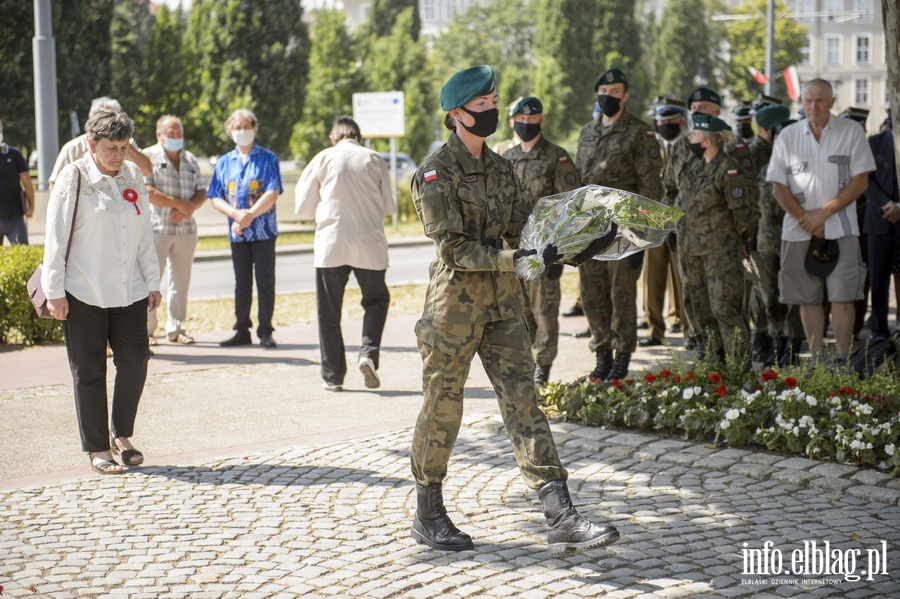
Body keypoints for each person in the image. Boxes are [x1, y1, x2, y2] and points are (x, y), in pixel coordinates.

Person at [410, 65, 619, 554]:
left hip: (504, 306)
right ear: (456, 114)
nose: (493, 113)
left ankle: (559, 512)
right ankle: (428, 512)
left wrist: (576, 244)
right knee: (443, 405)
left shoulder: (502, 167)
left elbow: (526, 229)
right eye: (482, 107)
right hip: (454, 309)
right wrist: (518, 258)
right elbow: (454, 250)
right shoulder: (436, 172)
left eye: (493, 103)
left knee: (524, 401)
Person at [41, 110, 161, 474]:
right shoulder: (72, 177)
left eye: (124, 147)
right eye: (111, 147)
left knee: (136, 360)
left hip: (130, 290)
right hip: (83, 291)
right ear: (91, 144)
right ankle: (97, 449)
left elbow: (142, 233)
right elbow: (56, 238)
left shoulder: (133, 174)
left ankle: (121, 433)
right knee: (89, 371)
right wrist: (54, 291)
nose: (119, 155)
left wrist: (152, 280)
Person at [766, 79, 876, 366]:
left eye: (820, 100)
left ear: (832, 101)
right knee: (808, 298)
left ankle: (842, 361)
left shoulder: (851, 132)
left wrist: (822, 213)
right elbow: (778, 186)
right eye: (808, 101)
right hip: (798, 231)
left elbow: (861, 180)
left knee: (843, 297)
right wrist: (806, 218)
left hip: (841, 229)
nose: (813, 106)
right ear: (802, 103)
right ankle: (816, 361)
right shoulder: (788, 137)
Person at [295, 116, 396, 391]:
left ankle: (333, 376)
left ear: (333, 138)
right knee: (376, 301)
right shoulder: (375, 159)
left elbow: (303, 206)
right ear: (359, 137)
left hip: (331, 244)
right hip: (370, 243)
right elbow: (389, 206)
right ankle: (368, 354)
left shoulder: (323, 158)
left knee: (328, 313)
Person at [576, 67, 664, 382]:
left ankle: (622, 358)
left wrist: (642, 233)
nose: (609, 97)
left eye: (616, 92)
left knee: (621, 293)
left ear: (625, 96)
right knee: (592, 291)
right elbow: (579, 181)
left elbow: (650, 184)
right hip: (590, 227)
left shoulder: (640, 132)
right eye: (604, 91)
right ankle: (602, 355)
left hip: (624, 226)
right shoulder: (587, 132)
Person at [502, 96, 582, 385]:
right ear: (512, 122)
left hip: (545, 249)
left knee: (544, 309)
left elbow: (570, 206)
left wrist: (561, 251)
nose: (527, 124)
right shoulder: (506, 159)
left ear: (542, 121)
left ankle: (542, 368)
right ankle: (525, 363)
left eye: (533, 119)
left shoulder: (556, 157)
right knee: (519, 310)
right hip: (513, 249)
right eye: (521, 120)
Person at [680, 113, 758, 363]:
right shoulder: (696, 167)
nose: (689, 138)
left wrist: (740, 242)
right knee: (702, 311)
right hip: (694, 251)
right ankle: (715, 369)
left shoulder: (730, 169)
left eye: (695, 134)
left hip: (721, 253)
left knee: (724, 309)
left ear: (708, 141)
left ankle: (740, 370)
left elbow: (744, 214)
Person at [208, 108, 283, 349]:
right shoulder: (224, 162)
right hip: (237, 234)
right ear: (230, 131)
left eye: (247, 126)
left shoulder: (268, 158)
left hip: (263, 232)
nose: (242, 131)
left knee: (264, 282)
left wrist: (248, 215)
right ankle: (241, 329)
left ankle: (265, 330)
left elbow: (272, 193)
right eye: (237, 127)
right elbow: (215, 196)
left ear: (255, 129)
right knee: (241, 283)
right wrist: (235, 215)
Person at [144, 115, 207, 345]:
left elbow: (201, 190)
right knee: (151, 282)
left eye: (179, 133)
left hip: (186, 230)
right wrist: (180, 204)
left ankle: (176, 328)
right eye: (172, 134)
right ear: (159, 135)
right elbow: (147, 191)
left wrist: (189, 208)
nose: (177, 137)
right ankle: (148, 332)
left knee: (180, 282)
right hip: (157, 228)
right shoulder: (148, 157)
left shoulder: (190, 158)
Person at [751, 105, 804, 366]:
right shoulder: (765, 171)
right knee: (769, 295)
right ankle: (775, 342)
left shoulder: (805, 172)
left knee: (794, 295)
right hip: (766, 243)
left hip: (795, 240)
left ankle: (792, 347)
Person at [640, 98, 686, 347]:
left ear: (682, 123)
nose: (666, 126)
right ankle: (654, 330)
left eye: (671, 122)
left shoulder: (690, 148)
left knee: (683, 278)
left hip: (681, 222)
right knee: (653, 279)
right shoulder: (650, 149)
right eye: (662, 122)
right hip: (654, 221)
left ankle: (689, 329)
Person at [49, 97, 152, 190]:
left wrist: (122, 144)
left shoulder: (129, 143)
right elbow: (55, 185)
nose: (113, 127)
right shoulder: (72, 148)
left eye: (116, 120)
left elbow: (147, 171)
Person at [863, 108, 898, 340]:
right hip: (879, 220)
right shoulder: (874, 143)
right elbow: (864, 178)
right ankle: (879, 332)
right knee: (878, 278)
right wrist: (886, 205)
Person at [0, 118, 35, 244]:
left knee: (22, 255)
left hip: (15, 217)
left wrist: (32, 206)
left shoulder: (15, 154)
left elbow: (27, 183)